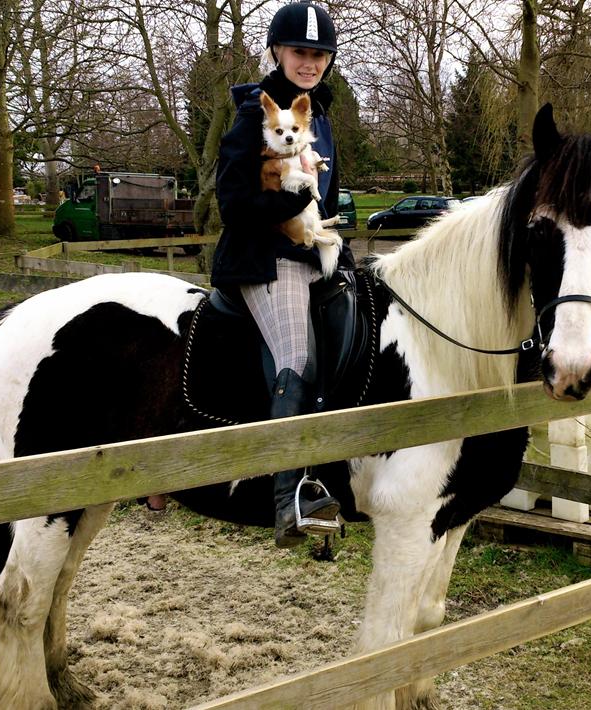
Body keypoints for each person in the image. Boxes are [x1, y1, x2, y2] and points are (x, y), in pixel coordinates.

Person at [213, 1, 353, 548]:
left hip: (313, 251)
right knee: (296, 355)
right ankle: (288, 497)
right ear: (277, 51)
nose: (310, 62)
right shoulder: (256, 113)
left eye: (320, 54)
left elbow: (327, 193)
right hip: (262, 257)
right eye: (300, 51)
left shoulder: (319, 114)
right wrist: (292, 208)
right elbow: (232, 202)